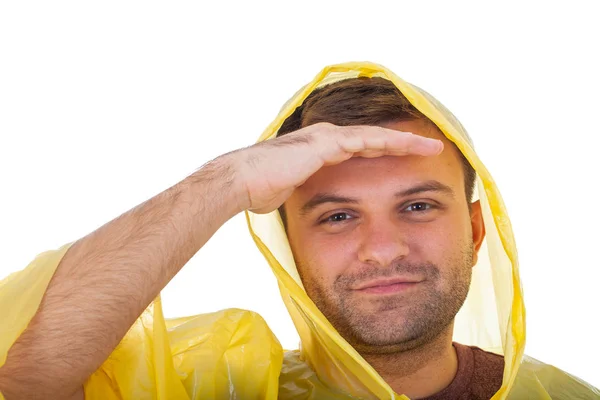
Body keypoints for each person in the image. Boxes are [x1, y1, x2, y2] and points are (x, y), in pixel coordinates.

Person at [0, 62, 598, 400]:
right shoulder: (212, 387)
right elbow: (24, 380)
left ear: (474, 230)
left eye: (417, 206)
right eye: (337, 216)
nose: (384, 248)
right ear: (290, 244)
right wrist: (226, 180)